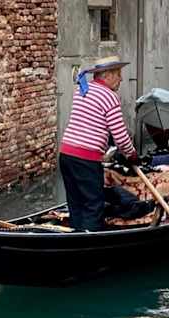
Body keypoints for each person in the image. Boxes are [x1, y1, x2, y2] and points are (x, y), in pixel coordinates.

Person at [59, 56, 139, 231]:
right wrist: (132, 155)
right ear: (107, 75)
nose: (121, 79)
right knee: (93, 205)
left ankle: (76, 236)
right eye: (118, 74)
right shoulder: (109, 96)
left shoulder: (82, 89)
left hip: (66, 154)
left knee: (75, 203)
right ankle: (87, 241)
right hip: (86, 159)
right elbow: (120, 136)